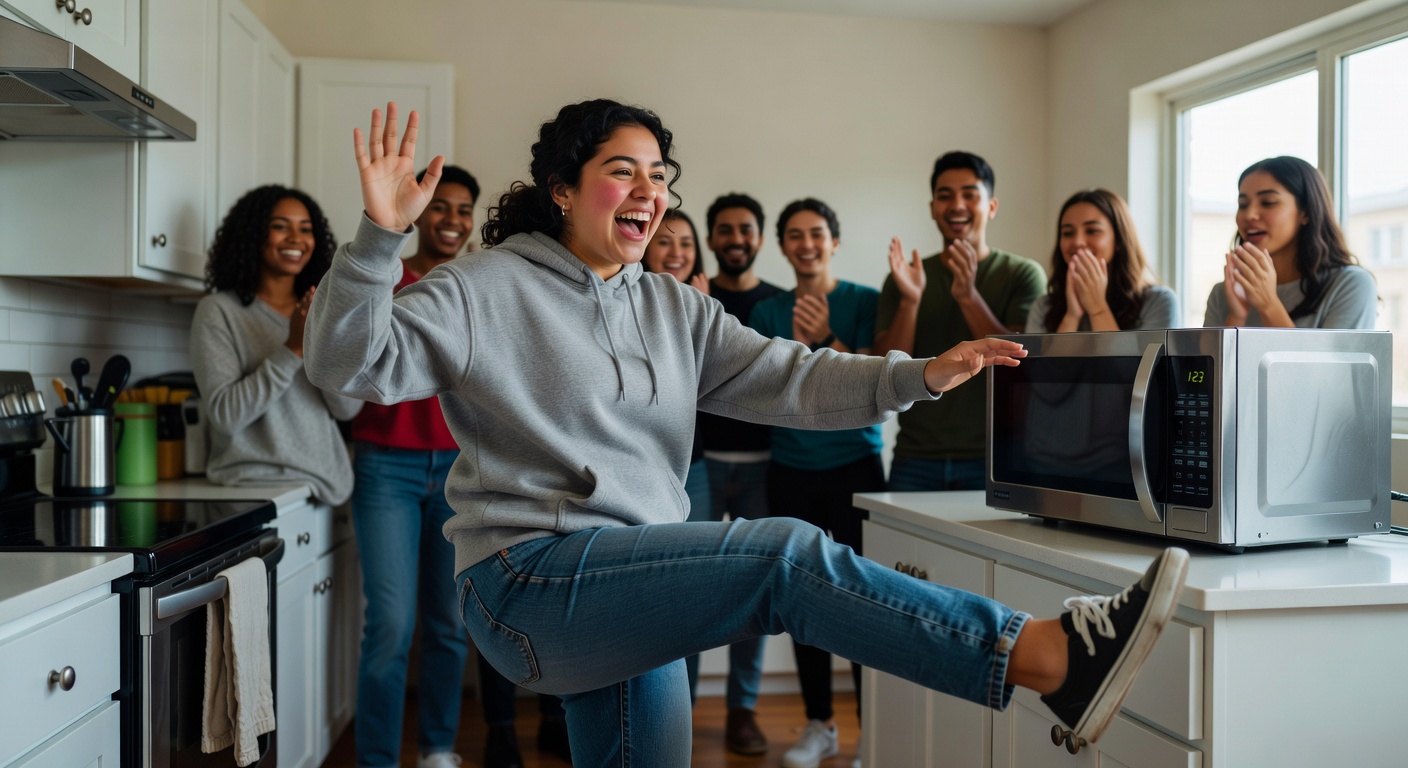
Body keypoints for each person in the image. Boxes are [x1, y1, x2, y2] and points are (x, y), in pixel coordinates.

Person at [304, 99, 1190, 768]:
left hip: (633, 579)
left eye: (660, 176)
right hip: (527, 583)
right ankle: (1044, 654)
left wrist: (921, 374)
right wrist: (381, 237)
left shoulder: (673, 308)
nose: (649, 191)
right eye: (624, 171)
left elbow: (792, 380)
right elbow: (349, 368)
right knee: (783, 559)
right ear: (563, 189)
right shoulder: (485, 289)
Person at [346, 165, 569, 768]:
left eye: (462, 209)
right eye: (439, 206)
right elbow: (352, 370)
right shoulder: (384, 278)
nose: (451, 218)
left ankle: (439, 749)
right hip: (384, 469)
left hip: (459, 470)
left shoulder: (480, 284)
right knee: (390, 627)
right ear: (417, 211)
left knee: (449, 623)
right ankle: (375, 758)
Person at [747, 198, 882, 768]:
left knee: (864, 598)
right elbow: (762, 390)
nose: (806, 244)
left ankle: (870, 733)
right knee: (801, 597)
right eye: (795, 235)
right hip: (792, 470)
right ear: (782, 245)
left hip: (856, 467)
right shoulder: (768, 312)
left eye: (817, 234)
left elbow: (875, 387)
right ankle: (818, 724)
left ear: (834, 241)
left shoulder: (865, 302)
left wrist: (827, 338)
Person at [876, 151, 1045, 492]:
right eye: (945, 195)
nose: (957, 205)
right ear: (932, 208)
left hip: (996, 456)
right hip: (915, 456)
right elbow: (886, 367)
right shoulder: (906, 278)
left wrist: (968, 295)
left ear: (992, 206)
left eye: (970, 194)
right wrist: (910, 301)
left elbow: (1020, 360)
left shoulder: (1022, 274)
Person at [192, 184, 362, 505]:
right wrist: (293, 348)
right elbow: (226, 416)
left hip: (321, 487)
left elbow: (347, 409)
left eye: (305, 229)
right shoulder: (219, 312)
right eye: (280, 226)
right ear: (254, 235)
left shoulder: (322, 311)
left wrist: (319, 340)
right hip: (250, 490)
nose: (296, 239)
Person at [694, 192, 778, 754]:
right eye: (724, 229)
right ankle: (677, 699)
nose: (735, 238)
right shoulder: (687, 293)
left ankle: (742, 710)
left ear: (759, 237)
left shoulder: (777, 303)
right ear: (712, 235)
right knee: (688, 590)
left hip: (764, 467)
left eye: (745, 229)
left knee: (754, 591)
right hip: (697, 463)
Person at [1203, 156, 1377, 329]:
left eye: (1268, 203)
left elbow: (1318, 359)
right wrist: (1237, 317)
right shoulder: (1223, 294)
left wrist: (1268, 305)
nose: (1249, 215)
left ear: (1306, 212)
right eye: (1243, 204)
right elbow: (1208, 358)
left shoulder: (1351, 285)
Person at [1026, 189, 1178, 333]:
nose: (1078, 241)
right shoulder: (1043, 307)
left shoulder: (1159, 302)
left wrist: (1098, 309)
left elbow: (1123, 362)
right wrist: (1071, 317)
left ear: (1119, 239)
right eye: (1068, 233)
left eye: (1092, 231)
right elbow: (1049, 362)